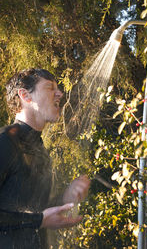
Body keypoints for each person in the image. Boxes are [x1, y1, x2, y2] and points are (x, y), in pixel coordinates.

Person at [0, 68, 90, 248]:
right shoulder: (5, 141)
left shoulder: (40, 151)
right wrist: (38, 220)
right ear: (25, 96)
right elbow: (36, 218)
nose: (60, 93)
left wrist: (66, 197)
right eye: (50, 88)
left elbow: (36, 211)